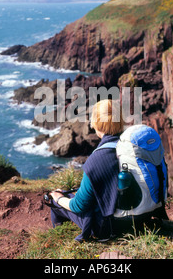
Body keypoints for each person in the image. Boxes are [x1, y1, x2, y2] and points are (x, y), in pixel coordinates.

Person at [50, 99, 125, 242]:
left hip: (107, 227)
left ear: (96, 124)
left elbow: (78, 206)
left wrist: (58, 198)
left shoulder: (97, 159)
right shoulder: (130, 147)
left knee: (54, 203)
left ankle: (58, 240)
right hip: (138, 219)